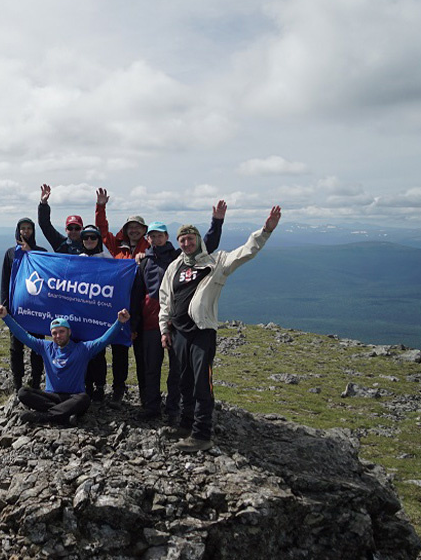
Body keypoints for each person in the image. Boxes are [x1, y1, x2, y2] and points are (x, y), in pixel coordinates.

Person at [158, 206, 282, 452]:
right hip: (178, 332)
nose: (186, 243)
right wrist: (164, 329)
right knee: (183, 382)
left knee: (201, 383)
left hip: (202, 331)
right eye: (182, 240)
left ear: (198, 240)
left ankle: (201, 435)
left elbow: (246, 252)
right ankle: (185, 425)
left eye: (190, 239)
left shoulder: (217, 262)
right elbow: (165, 298)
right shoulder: (175, 266)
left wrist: (266, 230)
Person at [130, 203, 226, 422]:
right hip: (150, 324)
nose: (156, 239)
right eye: (152, 236)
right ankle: (151, 406)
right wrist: (134, 325)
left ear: (166, 237)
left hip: (175, 325)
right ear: (148, 239)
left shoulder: (177, 257)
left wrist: (217, 222)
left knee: (176, 371)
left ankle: (173, 410)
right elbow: (137, 295)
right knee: (151, 369)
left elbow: (207, 245)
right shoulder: (144, 262)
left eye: (159, 235)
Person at [0, 304, 131, 425]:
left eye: (61, 331)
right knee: (23, 392)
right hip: (51, 396)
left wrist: (119, 322)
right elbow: (24, 336)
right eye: (54, 333)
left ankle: (43, 417)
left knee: (84, 399)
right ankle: (64, 415)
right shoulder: (45, 347)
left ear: (69, 332)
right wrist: (6, 317)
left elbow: (104, 340)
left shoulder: (83, 349)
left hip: (73, 397)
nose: (58, 335)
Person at [92, 188, 153, 403]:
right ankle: (101, 386)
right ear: (125, 230)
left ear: (144, 230)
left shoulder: (151, 246)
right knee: (106, 345)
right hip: (110, 303)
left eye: (138, 228)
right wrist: (100, 206)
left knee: (121, 349)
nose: (134, 231)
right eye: (131, 227)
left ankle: (120, 388)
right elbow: (100, 230)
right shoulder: (115, 244)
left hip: (135, 306)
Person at [0, 218, 47, 391]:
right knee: (16, 348)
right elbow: (5, 280)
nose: (25, 231)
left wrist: (30, 253)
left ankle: (35, 381)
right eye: (22, 228)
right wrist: (4, 304)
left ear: (33, 231)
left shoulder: (41, 252)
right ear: (18, 231)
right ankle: (17, 382)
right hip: (16, 308)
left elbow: (46, 274)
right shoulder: (10, 253)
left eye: (29, 228)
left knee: (37, 346)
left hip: (36, 309)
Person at [76, 224, 111, 401]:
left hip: (98, 314)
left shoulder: (107, 259)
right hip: (80, 314)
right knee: (82, 351)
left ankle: (99, 386)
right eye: (86, 237)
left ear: (99, 240)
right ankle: (85, 385)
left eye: (93, 237)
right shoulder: (77, 259)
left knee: (98, 352)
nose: (89, 240)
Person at [37, 184, 84, 255]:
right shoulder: (59, 243)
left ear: (82, 229)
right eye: (70, 228)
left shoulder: (90, 244)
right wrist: (43, 203)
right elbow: (45, 225)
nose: (73, 231)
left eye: (77, 228)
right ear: (66, 229)